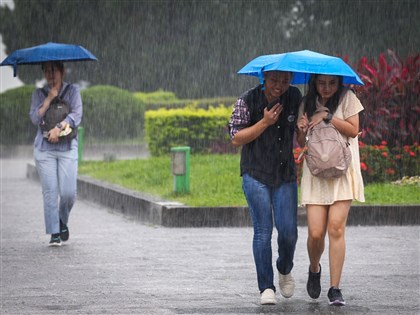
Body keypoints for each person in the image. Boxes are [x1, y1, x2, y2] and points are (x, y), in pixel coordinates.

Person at [228, 71, 302, 305]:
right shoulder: (247, 100)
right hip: (255, 173)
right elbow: (236, 137)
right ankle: (266, 287)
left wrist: (303, 128)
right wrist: (265, 122)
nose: (279, 86)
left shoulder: (295, 97)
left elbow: (301, 139)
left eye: (285, 80)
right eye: (274, 80)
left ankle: (284, 267)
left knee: (289, 231)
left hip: (284, 174)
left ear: (291, 80)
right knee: (263, 231)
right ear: (263, 78)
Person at [296, 74, 365, 306]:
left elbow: (354, 130)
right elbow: (301, 140)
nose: (326, 88)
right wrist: (301, 128)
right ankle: (314, 269)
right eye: (321, 83)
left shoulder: (348, 98)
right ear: (314, 83)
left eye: (332, 83)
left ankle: (335, 288)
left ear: (339, 83)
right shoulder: (306, 103)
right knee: (315, 233)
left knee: (336, 228)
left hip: (343, 172)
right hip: (316, 173)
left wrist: (328, 116)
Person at [29, 61, 82, 246]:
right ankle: (54, 233)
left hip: (67, 147)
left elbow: (77, 115)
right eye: (46, 70)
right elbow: (35, 118)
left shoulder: (72, 91)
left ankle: (61, 221)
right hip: (44, 150)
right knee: (50, 192)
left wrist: (59, 127)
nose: (50, 74)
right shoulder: (38, 93)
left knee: (68, 193)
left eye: (54, 70)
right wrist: (48, 98)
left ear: (62, 71)